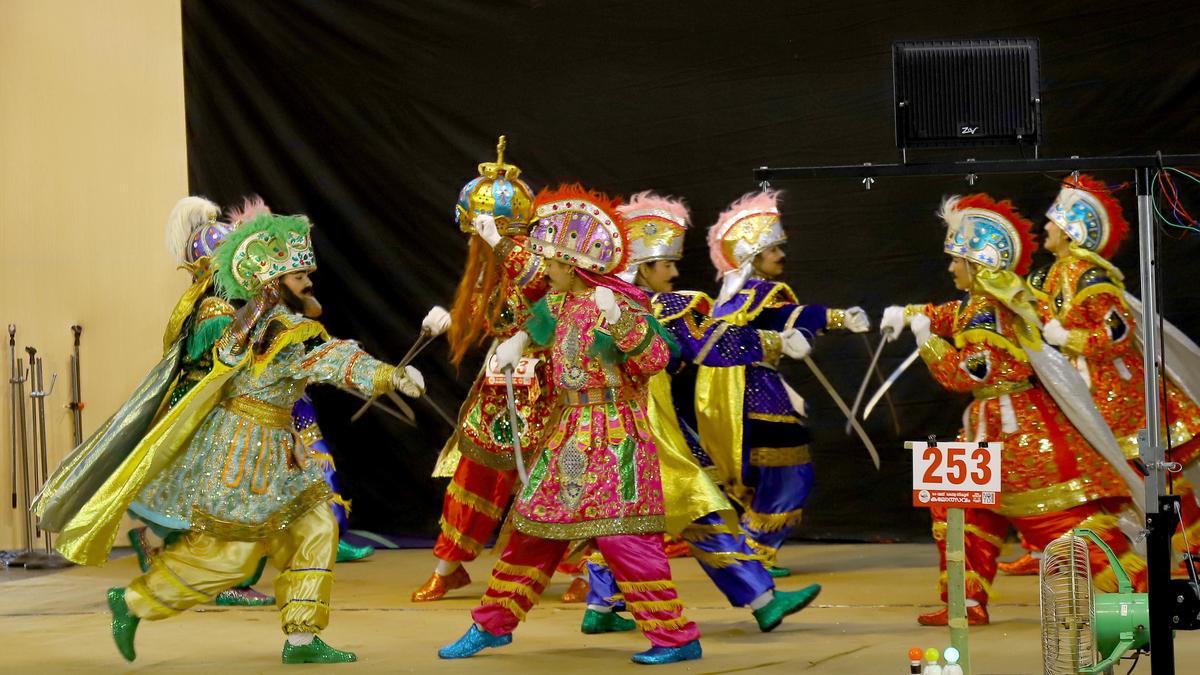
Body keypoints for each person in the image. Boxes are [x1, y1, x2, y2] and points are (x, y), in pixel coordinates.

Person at [36, 211, 425, 663]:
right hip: (243, 459)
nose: (308, 282)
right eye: (299, 275)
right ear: (274, 281)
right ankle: (134, 602)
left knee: (317, 528)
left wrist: (388, 375)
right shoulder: (268, 327)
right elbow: (326, 359)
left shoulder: (276, 322)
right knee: (231, 560)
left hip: (279, 453)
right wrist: (388, 376)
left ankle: (301, 639)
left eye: (307, 274)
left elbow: (325, 357)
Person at [438, 185, 702, 664]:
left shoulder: (622, 303)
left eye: (551, 263)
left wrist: (620, 322)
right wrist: (519, 342)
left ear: (572, 264)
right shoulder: (559, 303)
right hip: (569, 433)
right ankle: (492, 625)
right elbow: (534, 318)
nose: (545, 269)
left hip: (618, 434)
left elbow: (656, 361)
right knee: (532, 530)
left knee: (626, 538)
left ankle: (676, 637)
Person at [879, 193, 1147, 626]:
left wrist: (928, 343)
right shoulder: (979, 303)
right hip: (986, 429)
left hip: (1020, 434)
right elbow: (948, 314)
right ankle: (965, 603)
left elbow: (964, 375)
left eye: (956, 261)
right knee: (958, 509)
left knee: (1060, 526)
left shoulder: (992, 313)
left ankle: (1138, 592)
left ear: (978, 264)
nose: (950, 269)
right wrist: (908, 314)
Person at [582, 191, 821, 634]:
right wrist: (773, 342)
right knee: (702, 510)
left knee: (623, 517)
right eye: (666, 264)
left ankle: (600, 606)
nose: (675, 273)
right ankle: (763, 600)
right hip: (652, 431)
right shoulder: (662, 307)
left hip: (607, 430)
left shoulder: (595, 309)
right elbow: (712, 344)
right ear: (643, 268)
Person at [698, 189, 870, 574]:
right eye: (773, 250)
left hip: (739, 399)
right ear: (753, 257)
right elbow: (791, 317)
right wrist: (840, 318)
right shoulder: (760, 292)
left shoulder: (732, 300)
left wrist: (829, 322)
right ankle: (755, 550)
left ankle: (748, 548)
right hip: (760, 397)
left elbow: (787, 319)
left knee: (761, 475)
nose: (781, 256)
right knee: (788, 475)